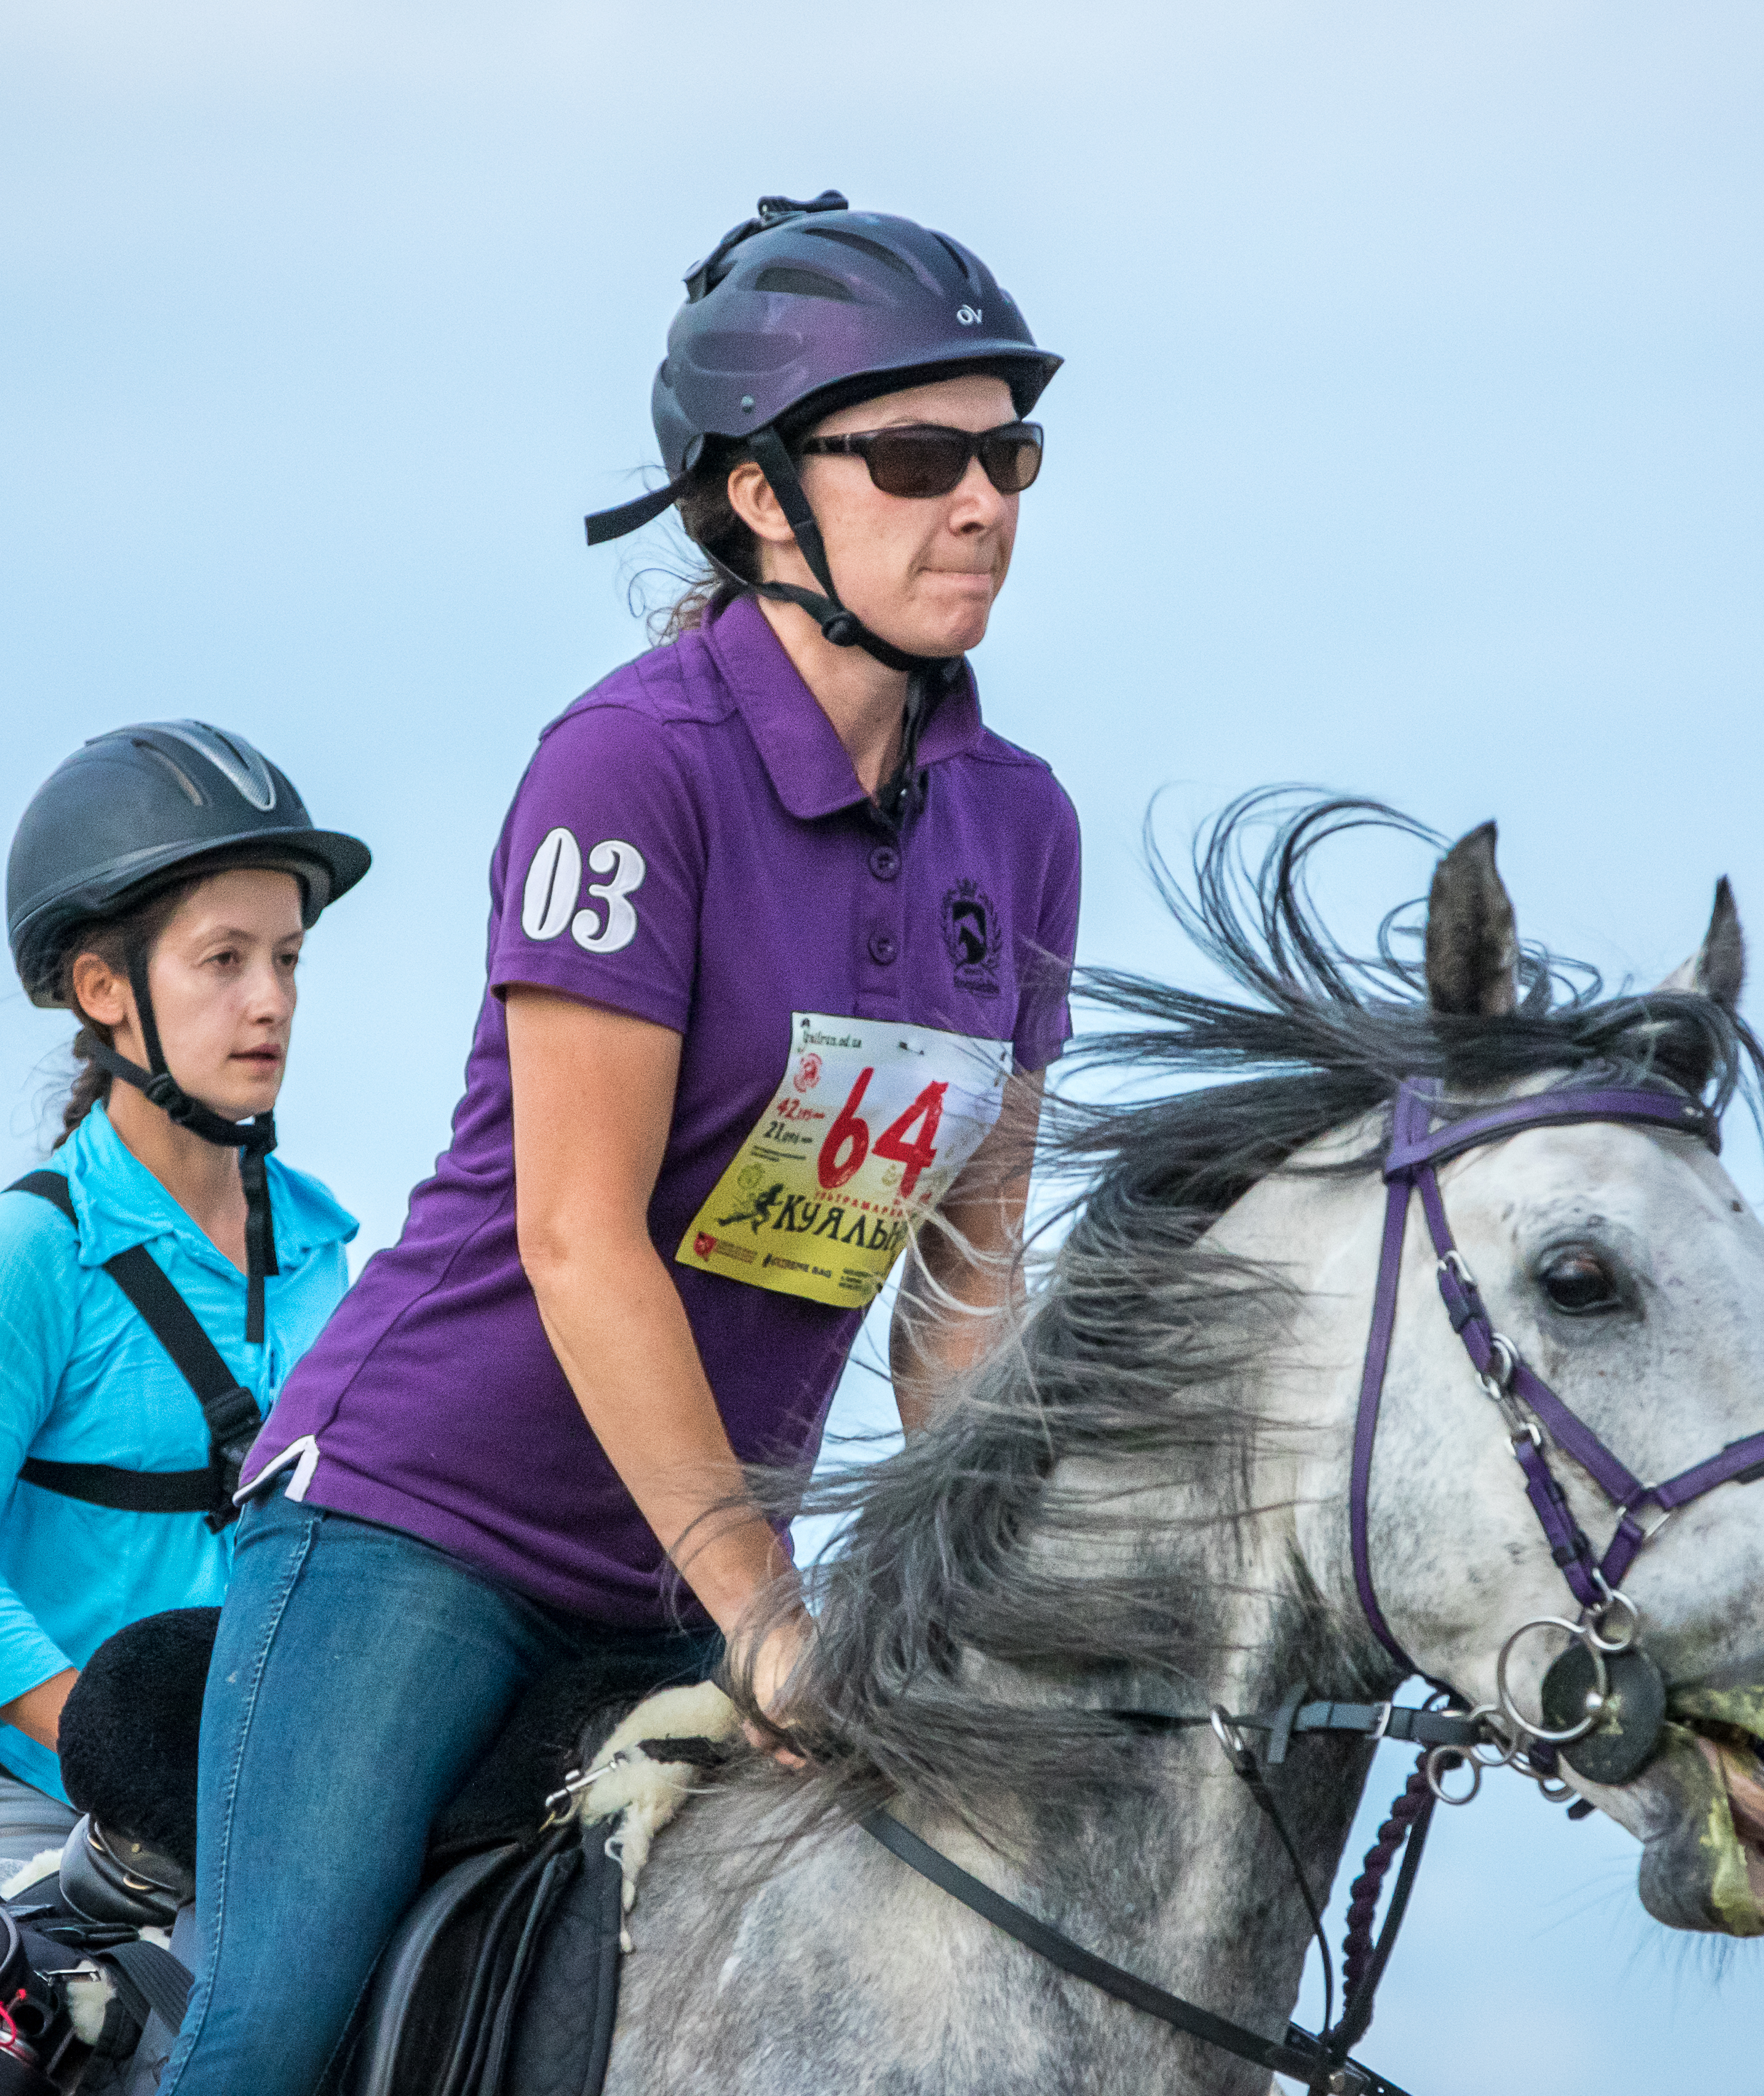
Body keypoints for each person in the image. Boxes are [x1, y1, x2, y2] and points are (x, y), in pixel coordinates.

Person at [157, 193, 1083, 2090]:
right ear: (758, 497)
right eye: (917, 457)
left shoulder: (1023, 824)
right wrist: (761, 1602)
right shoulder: (628, 765)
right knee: (266, 2034)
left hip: (700, 1569)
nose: (980, 501)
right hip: (420, 1526)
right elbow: (580, 1238)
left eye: (1008, 452)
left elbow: (962, 1294)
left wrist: (998, 1597)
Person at [0, 720, 372, 1860]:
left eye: (288, 958)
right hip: (40, 1815)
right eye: (224, 960)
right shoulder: (27, 1253)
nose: (271, 1001)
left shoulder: (320, 1246)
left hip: (263, 1816)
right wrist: (121, 1758)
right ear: (104, 990)